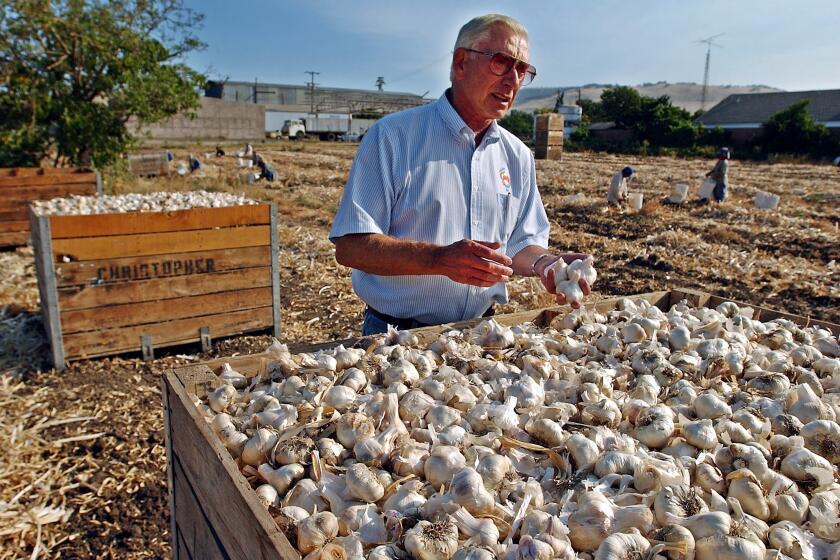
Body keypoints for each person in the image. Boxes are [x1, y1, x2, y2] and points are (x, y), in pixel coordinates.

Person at [329, 14, 591, 335]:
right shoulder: (393, 137)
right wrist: (438, 259)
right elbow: (352, 247)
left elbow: (521, 243)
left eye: (522, 70)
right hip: (397, 338)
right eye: (501, 62)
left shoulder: (517, 155)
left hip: (481, 333)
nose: (512, 80)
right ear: (461, 63)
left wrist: (546, 264)